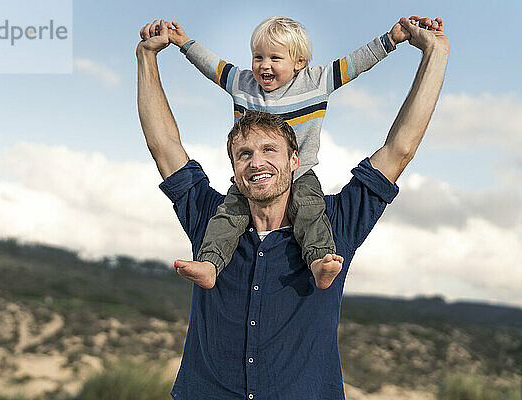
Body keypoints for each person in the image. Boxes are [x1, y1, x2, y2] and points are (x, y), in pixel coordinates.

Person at [137, 15, 449, 400]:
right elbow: (163, 145)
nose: (256, 162)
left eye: (270, 150)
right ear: (233, 168)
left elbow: (400, 149)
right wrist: (147, 58)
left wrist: (434, 53)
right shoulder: (211, 218)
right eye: (244, 154)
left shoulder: (335, 223)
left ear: (294, 160)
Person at [162, 16, 434, 290]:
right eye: (258, 57)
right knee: (229, 215)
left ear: (299, 63)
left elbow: (356, 63)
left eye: (275, 58)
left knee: (309, 211)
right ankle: (210, 264)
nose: (264, 65)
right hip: (254, 181)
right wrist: (184, 42)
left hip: (300, 173)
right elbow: (211, 65)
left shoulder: (315, 82)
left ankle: (318, 262)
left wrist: (391, 39)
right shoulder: (242, 84)